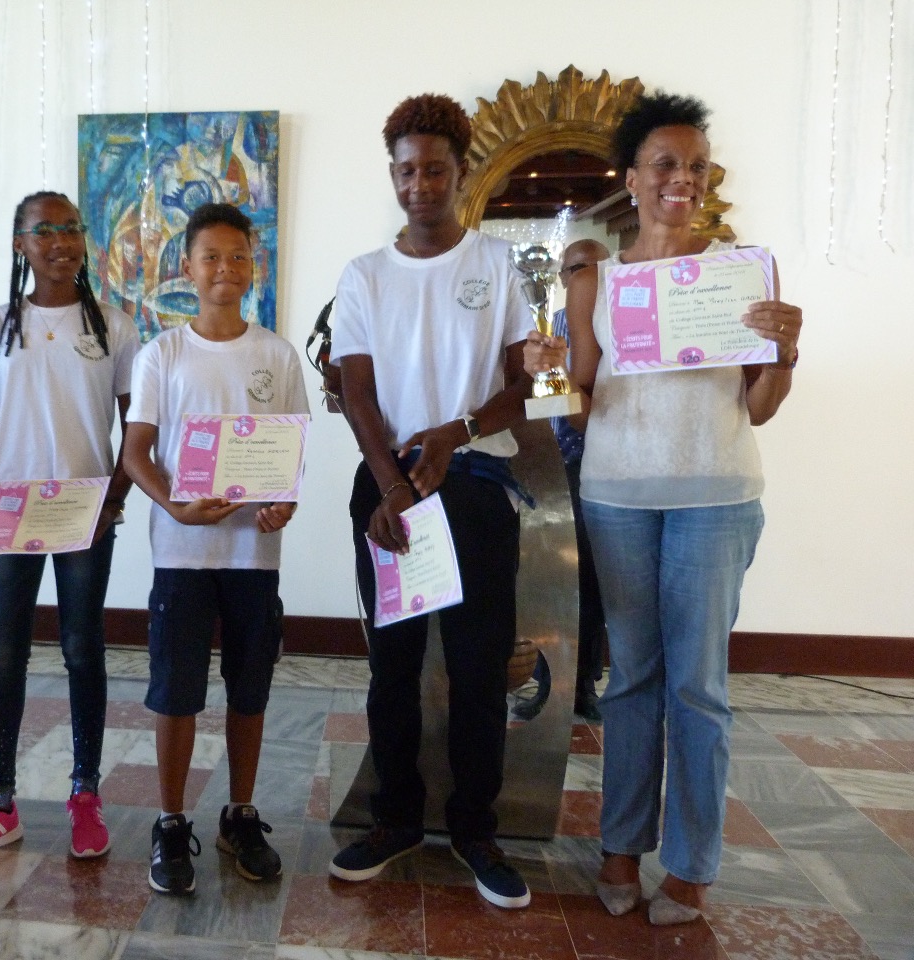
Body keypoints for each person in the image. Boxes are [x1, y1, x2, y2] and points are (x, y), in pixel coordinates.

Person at [524, 92, 802, 925]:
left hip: (717, 498)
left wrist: (785, 351)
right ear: (632, 178)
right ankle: (620, 848)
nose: (683, 178)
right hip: (617, 498)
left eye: (696, 166)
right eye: (665, 164)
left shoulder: (743, 272)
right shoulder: (597, 281)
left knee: (699, 688)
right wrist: (545, 369)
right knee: (631, 680)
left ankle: (689, 866)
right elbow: (577, 406)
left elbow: (760, 408)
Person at [328, 93, 534, 910]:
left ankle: (476, 830)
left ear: (462, 172)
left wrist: (460, 430)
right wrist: (391, 487)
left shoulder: (498, 265)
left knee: (480, 670)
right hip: (389, 491)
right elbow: (356, 392)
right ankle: (396, 820)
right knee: (394, 670)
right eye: (408, 171)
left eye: (437, 170)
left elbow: (527, 384)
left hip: (476, 486)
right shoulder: (364, 275)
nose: (421, 185)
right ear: (393, 175)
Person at [0, 191, 140, 871]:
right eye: (44, 230)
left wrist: (115, 497)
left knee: (83, 649)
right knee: (2, 655)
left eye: (71, 228)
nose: (60, 241)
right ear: (20, 244)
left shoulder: (114, 327)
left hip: (84, 514)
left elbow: (136, 430)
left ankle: (85, 795)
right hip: (11, 513)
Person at [122, 202, 310, 895]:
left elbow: (289, 452)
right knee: (176, 692)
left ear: (253, 267)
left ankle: (240, 814)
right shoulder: (161, 354)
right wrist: (174, 505)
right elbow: (135, 453)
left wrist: (285, 502)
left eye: (238, 257)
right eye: (211, 257)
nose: (225, 269)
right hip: (182, 554)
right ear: (187, 267)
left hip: (253, 558)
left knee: (249, 687)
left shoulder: (277, 355)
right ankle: (171, 821)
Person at [514, 238, 610, 724]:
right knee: (551, 582)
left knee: (591, 585)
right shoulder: (546, 328)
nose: (585, 277)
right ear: (562, 277)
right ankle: (549, 685)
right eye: (576, 269)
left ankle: (586, 686)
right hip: (555, 467)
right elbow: (540, 401)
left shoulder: (619, 324)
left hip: (607, 465)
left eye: (595, 268)